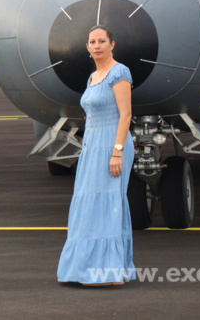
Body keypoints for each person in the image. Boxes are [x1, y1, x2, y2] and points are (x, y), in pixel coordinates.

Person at [57, 24, 136, 286]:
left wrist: (117, 152)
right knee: (88, 203)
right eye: (92, 42)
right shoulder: (93, 77)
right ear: (87, 47)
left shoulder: (119, 72)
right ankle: (86, 268)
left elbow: (125, 114)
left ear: (112, 45)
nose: (97, 46)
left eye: (102, 41)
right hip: (92, 147)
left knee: (108, 203)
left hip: (114, 144)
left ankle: (109, 272)